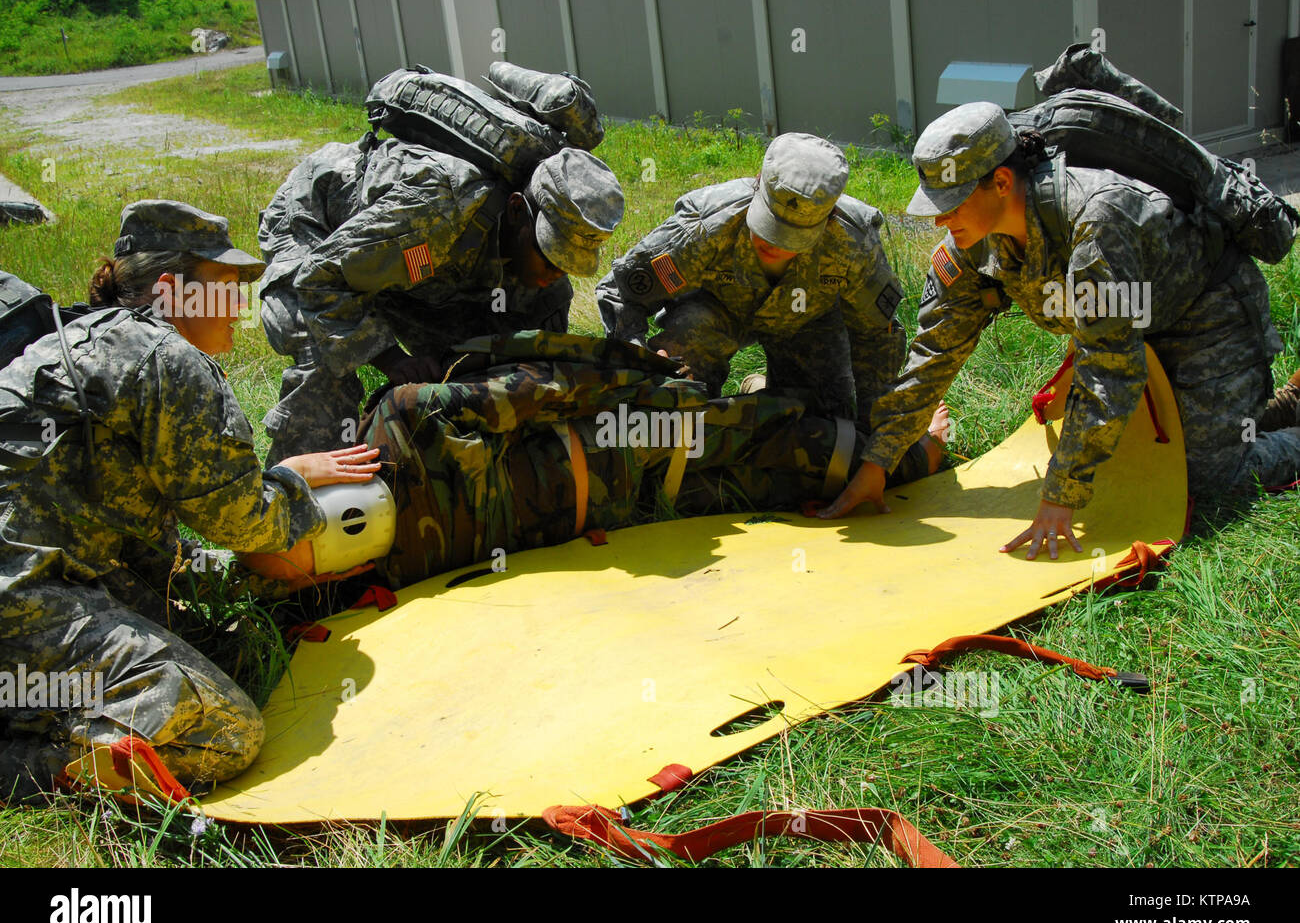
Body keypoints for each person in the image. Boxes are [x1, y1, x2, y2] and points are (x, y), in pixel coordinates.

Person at [0, 200, 379, 803]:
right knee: (227, 730)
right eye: (226, 286)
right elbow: (241, 521)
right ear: (174, 291)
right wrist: (293, 482)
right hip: (24, 604)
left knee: (223, 643)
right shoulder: (167, 360)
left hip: (38, 585)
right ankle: (27, 761)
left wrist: (254, 580)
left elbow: (152, 553)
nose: (240, 307)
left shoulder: (91, 341)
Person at [821, 102, 1300, 557]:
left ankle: (1280, 425)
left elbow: (1112, 369)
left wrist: (1060, 495)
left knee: (1201, 482)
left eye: (952, 203)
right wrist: (878, 461)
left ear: (1002, 182)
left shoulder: (1097, 220)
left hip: (1205, 318)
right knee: (1133, 461)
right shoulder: (972, 243)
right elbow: (935, 353)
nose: (941, 219)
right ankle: (1274, 409)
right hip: (1127, 327)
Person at [238, 331, 951, 593]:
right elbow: (252, 561)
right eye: (323, 552)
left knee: (766, 435)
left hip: (625, 437)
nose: (349, 535)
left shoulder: (409, 423)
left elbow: (548, 385)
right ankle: (877, 446)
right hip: (624, 518)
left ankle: (911, 446)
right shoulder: (390, 575)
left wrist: (641, 383)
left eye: (325, 525)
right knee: (761, 492)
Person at [257, 134, 625, 464]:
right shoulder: (438, 209)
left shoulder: (546, 289)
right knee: (323, 358)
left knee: (469, 360)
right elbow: (320, 279)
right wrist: (390, 358)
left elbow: (537, 375)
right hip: (318, 226)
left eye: (566, 266)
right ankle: (295, 506)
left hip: (397, 260)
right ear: (517, 211)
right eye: (548, 256)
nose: (553, 275)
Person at [596, 133, 942, 475]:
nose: (773, 244)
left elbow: (876, 337)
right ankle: (710, 409)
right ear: (758, 185)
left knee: (826, 430)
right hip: (714, 314)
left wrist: (878, 440)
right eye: (768, 225)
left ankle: (761, 393)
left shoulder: (853, 243)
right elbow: (621, 291)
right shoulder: (705, 227)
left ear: (830, 217)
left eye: (792, 236)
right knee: (670, 418)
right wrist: (639, 357)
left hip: (805, 322)